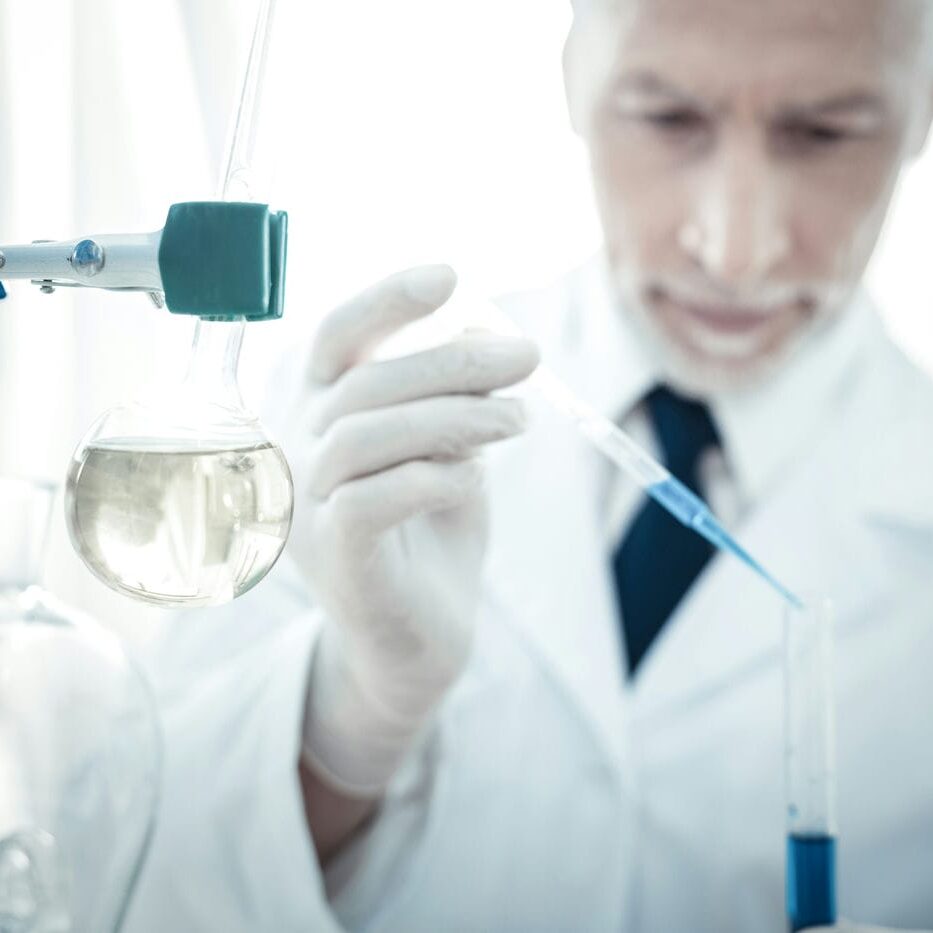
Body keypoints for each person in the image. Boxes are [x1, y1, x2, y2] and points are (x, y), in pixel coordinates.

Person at [123, 0, 933, 930]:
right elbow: (134, 870)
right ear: (572, 83)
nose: (734, 250)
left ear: (918, 112)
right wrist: (351, 722)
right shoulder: (355, 422)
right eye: (666, 118)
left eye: (824, 132)